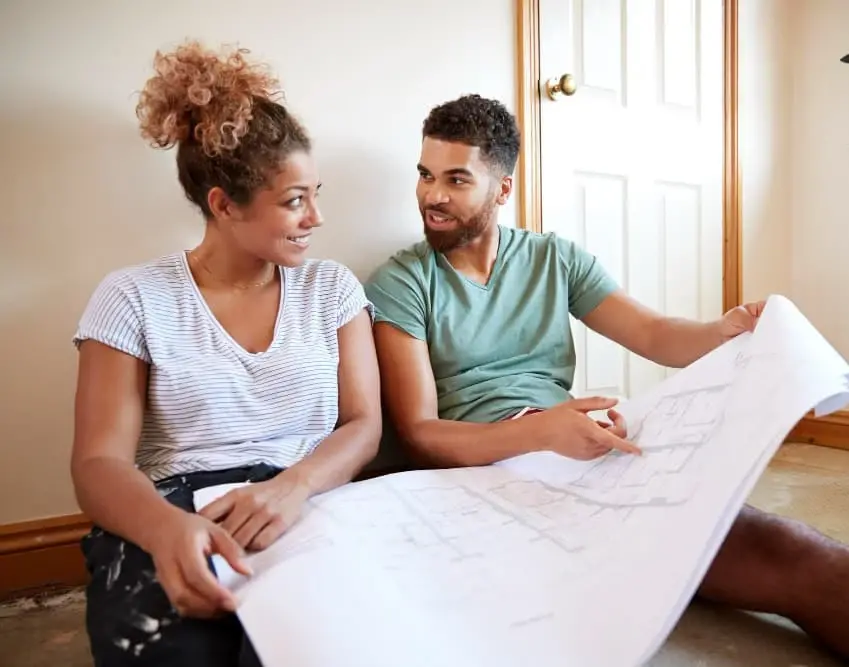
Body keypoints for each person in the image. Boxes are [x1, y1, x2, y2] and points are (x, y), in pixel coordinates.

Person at [364, 93, 849, 658]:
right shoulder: (401, 282)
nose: (433, 196)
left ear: (502, 189)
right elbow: (421, 435)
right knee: (776, 553)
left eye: (455, 179)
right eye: (424, 175)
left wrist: (724, 329)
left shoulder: (554, 259)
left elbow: (654, 333)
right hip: (498, 469)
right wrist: (543, 431)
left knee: (790, 543)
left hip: (575, 449)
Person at [70, 41, 381, 666]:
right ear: (223, 204)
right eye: (294, 200)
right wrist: (166, 531)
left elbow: (364, 424)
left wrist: (295, 487)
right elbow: (98, 462)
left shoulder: (332, 289)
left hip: (307, 502)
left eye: (315, 192)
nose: (316, 216)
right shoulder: (132, 297)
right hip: (172, 510)